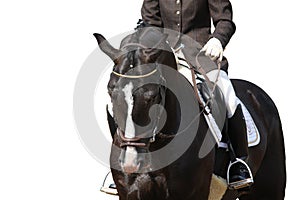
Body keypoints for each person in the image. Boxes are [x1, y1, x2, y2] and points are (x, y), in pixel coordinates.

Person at [141, 0, 253, 189]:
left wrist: (217, 40)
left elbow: (224, 20)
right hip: (164, 58)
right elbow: (150, 22)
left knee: (228, 96)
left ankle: (238, 162)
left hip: (201, 55)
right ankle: (128, 163)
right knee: (134, 92)